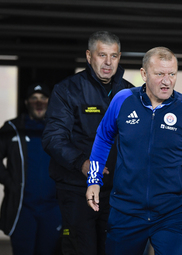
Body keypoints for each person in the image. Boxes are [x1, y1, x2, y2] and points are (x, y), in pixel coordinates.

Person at [86, 46, 182, 255]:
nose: (167, 81)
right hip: (126, 212)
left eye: (172, 74)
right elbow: (103, 138)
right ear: (144, 74)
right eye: (159, 74)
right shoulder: (122, 100)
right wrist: (94, 180)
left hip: (172, 213)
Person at [42, 31, 134, 255]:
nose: (108, 63)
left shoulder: (131, 94)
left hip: (117, 194)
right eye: (102, 55)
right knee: (81, 250)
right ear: (89, 55)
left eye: (113, 56)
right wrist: (83, 164)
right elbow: (53, 138)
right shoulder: (67, 90)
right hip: (76, 190)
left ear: (120, 57)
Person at [0, 83, 62, 255]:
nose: (39, 103)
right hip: (22, 209)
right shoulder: (12, 128)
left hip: (52, 209)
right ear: (26, 102)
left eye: (43, 98)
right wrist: (10, 182)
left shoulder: (59, 130)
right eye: (34, 99)